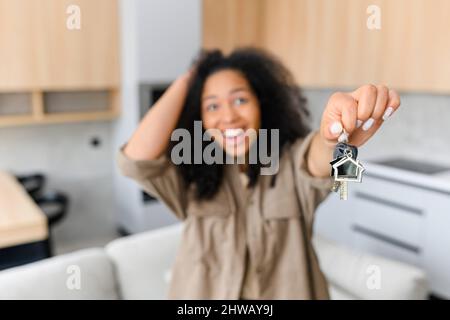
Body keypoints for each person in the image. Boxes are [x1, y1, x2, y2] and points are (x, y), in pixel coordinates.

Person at [117, 48, 400, 299]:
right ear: (200, 119)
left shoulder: (288, 161)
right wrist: (190, 78)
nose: (228, 117)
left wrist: (332, 139)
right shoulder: (190, 172)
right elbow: (135, 161)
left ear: (262, 104)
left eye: (239, 100)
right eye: (212, 105)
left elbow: (317, 161)